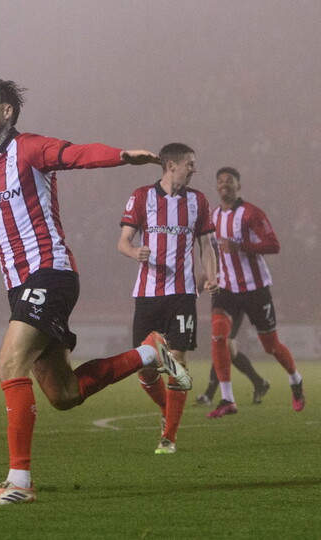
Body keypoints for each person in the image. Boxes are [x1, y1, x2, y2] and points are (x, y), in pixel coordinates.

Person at [0, 75, 189, 506]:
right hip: (19, 285)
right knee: (64, 395)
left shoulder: (29, 148)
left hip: (49, 272)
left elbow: (76, 155)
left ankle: (19, 483)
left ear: (7, 112)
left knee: (9, 365)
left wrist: (122, 156)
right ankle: (151, 352)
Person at [118, 143, 218, 454]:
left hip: (183, 294)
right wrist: (136, 252)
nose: (195, 169)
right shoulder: (141, 196)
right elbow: (123, 241)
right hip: (147, 294)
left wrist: (211, 275)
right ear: (171, 165)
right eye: (190, 163)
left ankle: (169, 437)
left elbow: (206, 246)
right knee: (146, 368)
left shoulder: (198, 200)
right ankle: (167, 410)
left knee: (178, 360)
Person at [203, 167, 305, 418]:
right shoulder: (212, 216)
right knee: (219, 336)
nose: (224, 185)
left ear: (239, 186)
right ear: (216, 187)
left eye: (229, 181)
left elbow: (274, 245)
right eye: (220, 181)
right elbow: (212, 253)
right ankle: (227, 399)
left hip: (255, 289)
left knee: (270, 346)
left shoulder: (251, 213)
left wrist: (241, 247)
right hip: (226, 289)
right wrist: (204, 277)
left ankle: (295, 379)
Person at [194, 310, 270, 406]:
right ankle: (259, 382)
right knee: (230, 352)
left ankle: (209, 395)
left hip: (228, 312)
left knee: (223, 348)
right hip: (225, 312)